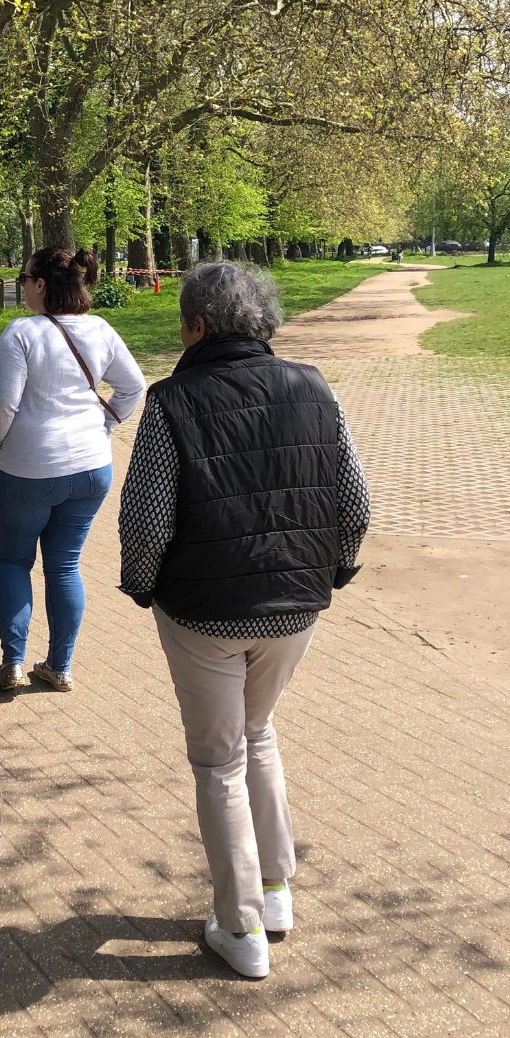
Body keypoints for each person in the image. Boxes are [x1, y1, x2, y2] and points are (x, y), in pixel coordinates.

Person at [118, 260, 370, 979]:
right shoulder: (314, 387)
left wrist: (143, 588)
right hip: (295, 608)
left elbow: (144, 525)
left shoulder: (172, 402)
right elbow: (356, 505)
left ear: (196, 325)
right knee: (257, 735)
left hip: (204, 613)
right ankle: (275, 890)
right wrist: (334, 571)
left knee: (219, 760)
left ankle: (241, 928)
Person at [0, 246, 146, 692]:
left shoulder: (21, 333)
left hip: (27, 467)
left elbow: (3, 405)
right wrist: (105, 424)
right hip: (92, 466)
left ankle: (13, 663)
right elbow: (133, 387)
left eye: (24, 279)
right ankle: (60, 665)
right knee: (64, 566)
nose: (22, 287)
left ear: (41, 284)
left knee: (14, 561)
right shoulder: (100, 329)